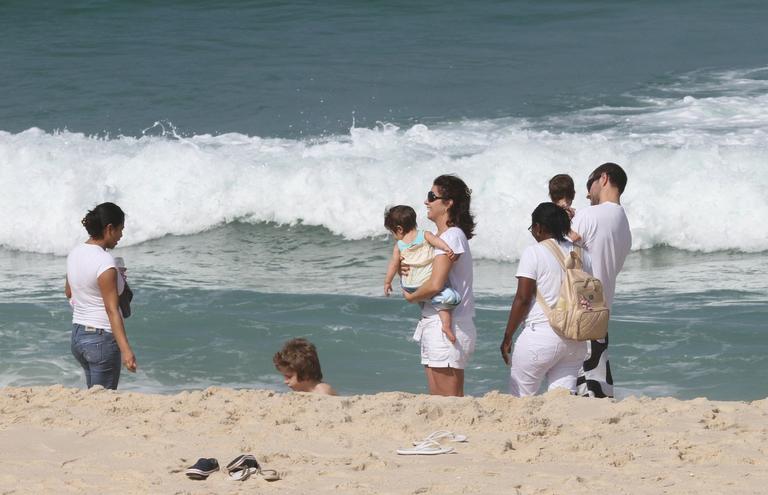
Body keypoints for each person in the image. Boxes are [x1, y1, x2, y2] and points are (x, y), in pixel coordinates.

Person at [500, 202, 593, 396]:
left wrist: (508, 336)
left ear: (538, 227)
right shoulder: (581, 254)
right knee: (561, 401)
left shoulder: (533, 252)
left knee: (522, 399)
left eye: (532, 228)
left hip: (541, 336)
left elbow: (523, 298)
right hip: (574, 339)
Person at [402, 175, 476, 397]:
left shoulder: (452, 236)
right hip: (437, 323)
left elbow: (435, 284)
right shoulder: (440, 237)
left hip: (449, 326)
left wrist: (410, 297)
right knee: (439, 401)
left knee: (448, 403)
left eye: (432, 196)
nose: (427, 201)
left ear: (448, 203)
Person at [572, 162, 632, 398]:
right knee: (597, 379)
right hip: (601, 309)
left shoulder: (589, 215)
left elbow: (557, 254)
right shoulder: (622, 222)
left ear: (604, 178)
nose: (588, 193)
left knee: (577, 381)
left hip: (581, 308)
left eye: (590, 185)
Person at [65, 202, 137, 389]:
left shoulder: (75, 253)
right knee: (102, 401)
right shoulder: (105, 262)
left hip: (78, 336)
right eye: (120, 230)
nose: (121, 235)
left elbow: (69, 292)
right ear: (109, 228)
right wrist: (126, 351)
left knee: (94, 398)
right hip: (101, 339)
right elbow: (112, 310)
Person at [383, 205, 461, 343]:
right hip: (426, 282)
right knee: (443, 300)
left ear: (399, 229)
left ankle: (424, 307)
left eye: (393, 232)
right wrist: (447, 248)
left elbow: (394, 265)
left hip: (409, 285)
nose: (394, 236)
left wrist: (387, 282)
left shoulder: (399, 245)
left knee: (424, 298)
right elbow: (438, 242)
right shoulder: (425, 235)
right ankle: (446, 326)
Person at [548, 173, 581, 242]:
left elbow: (576, 238)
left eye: (568, 196)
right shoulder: (582, 215)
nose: (564, 203)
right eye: (558, 197)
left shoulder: (580, 216)